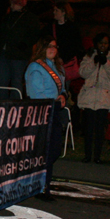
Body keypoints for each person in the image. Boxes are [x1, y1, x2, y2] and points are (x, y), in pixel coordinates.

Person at [25, 36, 66, 202]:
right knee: (46, 151)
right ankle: (41, 187)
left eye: (55, 46)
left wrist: (63, 95)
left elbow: (61, 88)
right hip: (41, 112)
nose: (52, 49)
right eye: (49, 46)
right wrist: (55, 101)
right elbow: (37, 95)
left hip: (53, 110)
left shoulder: (56, 66)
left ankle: (41, 185)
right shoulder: (36, 67)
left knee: (52, 150)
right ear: (41, 48)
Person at [78, 33, 110, 163]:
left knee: (100, 129)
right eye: (101, 42)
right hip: (89, 96)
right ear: (96, 43)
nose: (103, 45)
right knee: (89, 128)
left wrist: (106, 63)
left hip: (104, 97)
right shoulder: (89, 55)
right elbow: (82, 72)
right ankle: (87, 155)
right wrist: (94, 62)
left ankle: (97, 156)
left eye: (105, 43)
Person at [0, 0, 41, 99]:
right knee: (4, 80)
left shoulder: (29, 18)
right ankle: (4, 102)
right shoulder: (8, 17)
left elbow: (34, 34)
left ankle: (13, 103)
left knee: (15, 80)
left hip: (18, 55)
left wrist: (24, 44)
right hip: (7, 53)